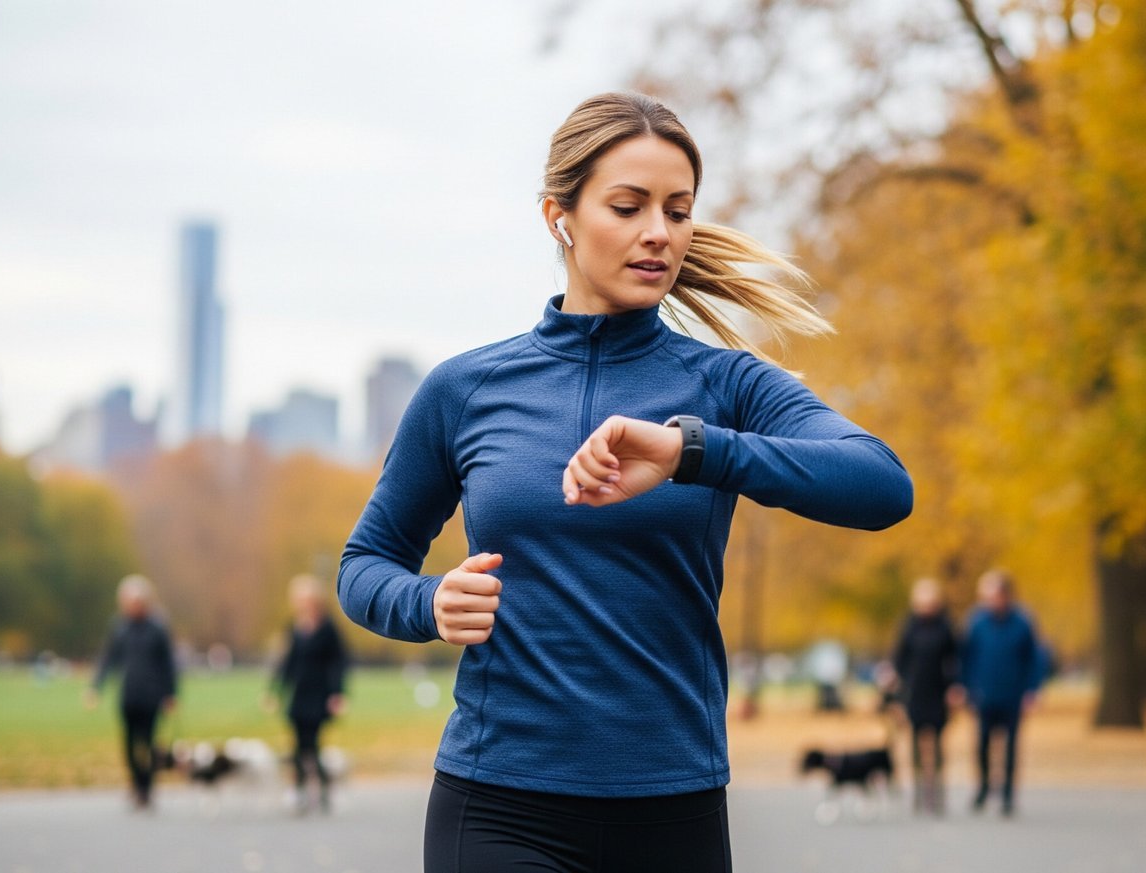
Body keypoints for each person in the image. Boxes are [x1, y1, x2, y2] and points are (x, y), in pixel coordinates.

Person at [338, 91, 914, 873]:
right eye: (628, 206)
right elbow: (364, 563)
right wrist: (428, 602)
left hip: (673, 809)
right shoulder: (465, 390)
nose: (659, 232)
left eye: (678, 211)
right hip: (499, 803)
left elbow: (882, 485)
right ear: (560, 217)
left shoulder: (726, 385)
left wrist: (692, 451)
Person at [86, 574, 178, 810]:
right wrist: (96, 686)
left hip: (152, 696)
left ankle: (147, 789)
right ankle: (136, 785)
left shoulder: (157, 627)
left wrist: (171, 694)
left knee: (148, 744)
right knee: (128, 745)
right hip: (129, 695)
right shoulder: (120, 627)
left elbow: (168, 663)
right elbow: (108, 658)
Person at [960, 569, 1045, 817]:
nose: (989, 601)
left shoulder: (1022, 622)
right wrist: (965, 687)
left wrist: (1032, 690)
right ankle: (984, 788)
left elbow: (1034, 659)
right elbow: (966, 658)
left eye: (993, 595)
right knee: (982, 745)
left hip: (1013, 695)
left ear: (1006, 595)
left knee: (1010, 747)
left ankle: (1008, 794)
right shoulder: (976, 622)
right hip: (984, 695)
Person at [267, 574, 349, 814]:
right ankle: (299, 790)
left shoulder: (328, 627)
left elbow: (338, 663)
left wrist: (337, 693)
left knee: (313, 745)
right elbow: (287, 663)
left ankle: (323, 788)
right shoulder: (294, 626)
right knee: (296, 745)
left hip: (319, 694)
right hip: (299, 694)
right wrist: (275, 691)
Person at [891, 578, 961, 815]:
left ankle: (937, 792)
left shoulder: (945, 626)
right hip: (915, 691)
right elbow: (900, 659)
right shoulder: (909, 626)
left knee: (938, 743)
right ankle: (919, 791)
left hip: (938, 691)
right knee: (915, 743)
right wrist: (898, 688)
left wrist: (954, 687)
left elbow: (954, 658)